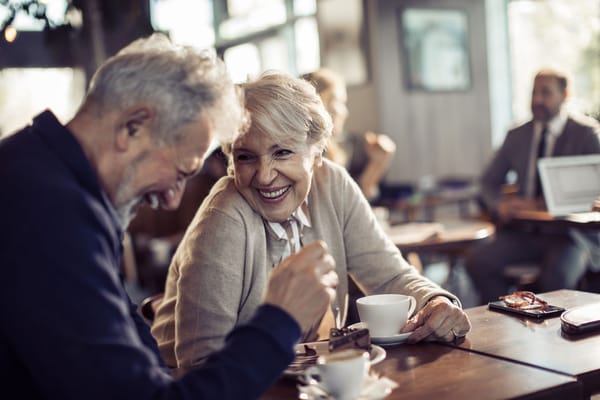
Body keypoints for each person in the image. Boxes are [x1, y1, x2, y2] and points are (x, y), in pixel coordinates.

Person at [0, 34, 339, 400]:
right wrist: (280, 320)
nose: (173, 200)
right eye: (181, 172)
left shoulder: (45, 175)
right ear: (134, 127)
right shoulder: (50, 214)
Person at [151, 71, 471, 370]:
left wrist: (435, 301)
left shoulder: (333, 184)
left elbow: (388, 275)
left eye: (282, 153)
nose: (264, 176)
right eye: (246, 157)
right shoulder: (224, 216)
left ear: (317, 152)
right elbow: (200, 363)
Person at [466, 67, 600, 304]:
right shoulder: (517, 135)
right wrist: (501, 205)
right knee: (478, 262)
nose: (537, 100)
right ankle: (505, 320)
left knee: (555, 279)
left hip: (570, 235)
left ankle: (557, 336)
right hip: (525, 232)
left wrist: (543, 203)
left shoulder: (586, 134)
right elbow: (487, 182)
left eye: (545, 93)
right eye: (534, 92)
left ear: (565, 95)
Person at [302, 67, 396, 203]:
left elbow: (353, 206)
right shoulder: (311, 156)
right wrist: (377, 165)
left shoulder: (334, 150)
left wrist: (377, 163)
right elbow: (343, 208)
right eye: (340, 102)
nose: (345, 112)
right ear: (321, 104)